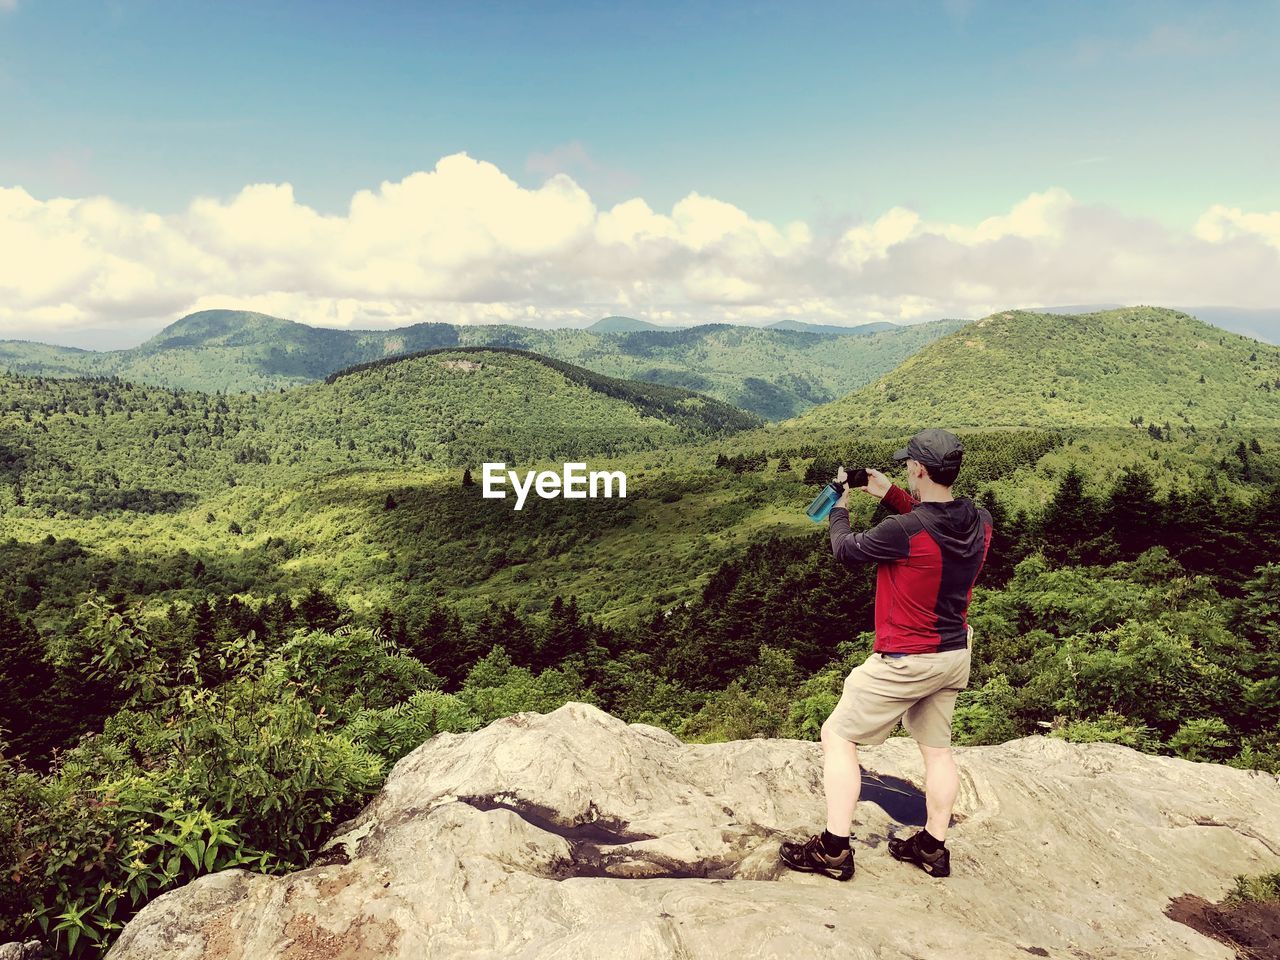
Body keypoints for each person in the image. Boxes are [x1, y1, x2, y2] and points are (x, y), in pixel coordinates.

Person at [780, 428, 993, 882]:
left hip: (905, 658)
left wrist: (841, 505)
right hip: (953, 652)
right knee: (937, 751)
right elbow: (935, 521)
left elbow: (845, 549)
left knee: (838, 735)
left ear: (918, 468)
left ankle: (834, 850)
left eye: (907, 468)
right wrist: (890, 492)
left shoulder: (902, 531)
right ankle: (932, 847)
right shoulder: (981, 519)